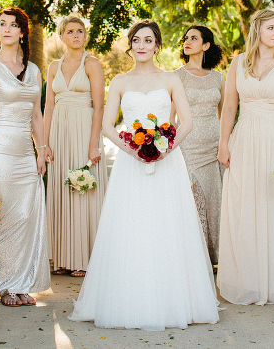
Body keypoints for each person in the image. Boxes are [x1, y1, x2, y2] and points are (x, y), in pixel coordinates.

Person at [70, 20, 219, 330]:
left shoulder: (170, 80)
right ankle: (128, 299)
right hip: (130, 164)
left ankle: (173, 300)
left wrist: (164, 148)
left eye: (148, 40)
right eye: (136, 40)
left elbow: (186, 123)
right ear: (131, 45)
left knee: (167, 225)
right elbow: (109, 126)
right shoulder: (120, 81)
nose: (141, 45)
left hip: (167, 164)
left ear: (157, 46)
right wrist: (133, 150)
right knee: (132, 226)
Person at [217, 9, 274, 305]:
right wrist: (223, 144)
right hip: (244, 139)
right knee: (244, 206)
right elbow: (230, 107)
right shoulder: (238, 63)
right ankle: (248, 281)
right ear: (258, 30)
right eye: (272, 28)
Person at [0, 6, 50, 307]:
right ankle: (7, 286)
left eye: (12, 25)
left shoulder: (33, 70)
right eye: (2, 24)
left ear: (21, 32)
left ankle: (22, 283)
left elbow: (37, 117)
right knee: (4, 219)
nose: (6, 29)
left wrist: (41, 151)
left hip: (25, 154)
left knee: (26, 215)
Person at [43, 14, 108, 277]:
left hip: (84, 131)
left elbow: (99, 106)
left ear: (85, 35)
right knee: (61, 188)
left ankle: (84, 258)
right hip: (59, 132)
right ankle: (61, 258)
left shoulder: (92, 64)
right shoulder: (52, 67)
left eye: (80, 31)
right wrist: (44, 144)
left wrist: (94, 145)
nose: (76, 35)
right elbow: (48, 106)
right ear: (61, 36)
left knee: (84, 190)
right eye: (70, 31)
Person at [173, 25, 225, 265]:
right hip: (188, 146)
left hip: (214, 146)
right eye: (186, 38)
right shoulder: (177, 76)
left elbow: (225, 114)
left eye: (194, 38)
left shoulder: (218, 77)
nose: (187, 41)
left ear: (206, 45)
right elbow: (171, 117)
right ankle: (195, 258)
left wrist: (226, 143)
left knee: (216, 199)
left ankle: (217, 256)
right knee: (193, 199)